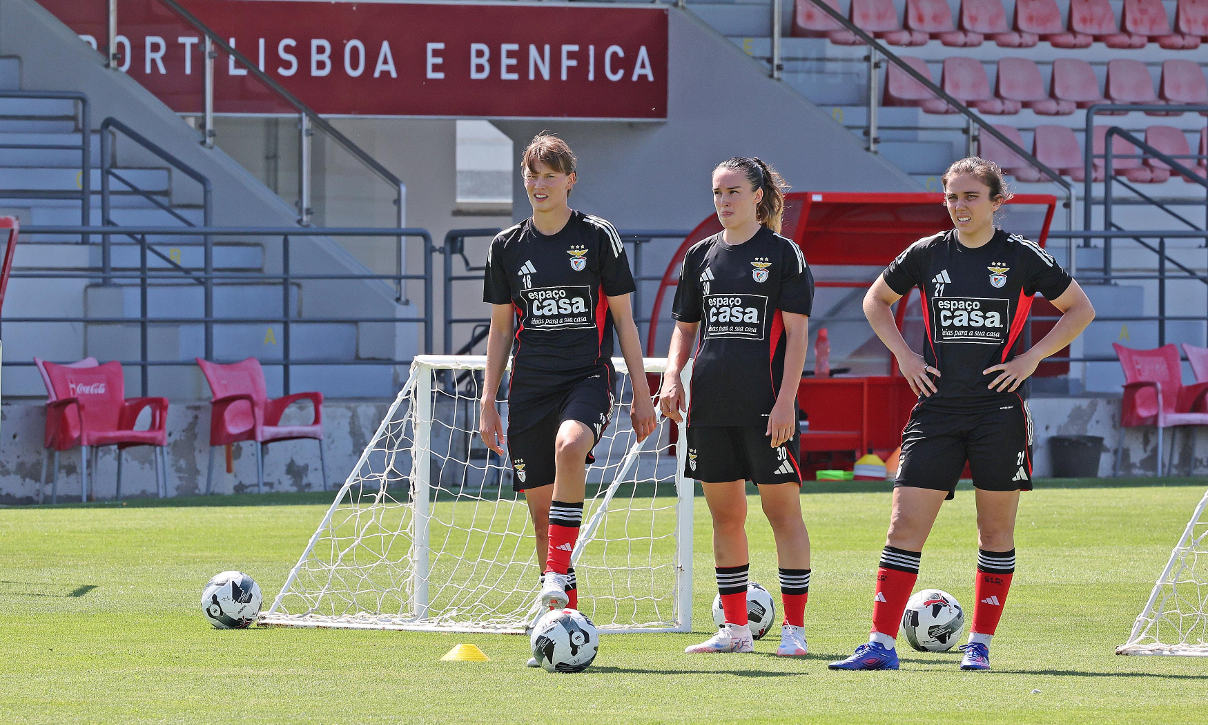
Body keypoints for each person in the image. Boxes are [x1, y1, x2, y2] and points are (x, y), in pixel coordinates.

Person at [828, 157, 1095, 672]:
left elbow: (1080, 309)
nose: (959, 206)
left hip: (998, 412)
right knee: (904, 527)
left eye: (971, 196)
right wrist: (905, 355)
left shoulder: (1020, 257)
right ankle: (880, 645)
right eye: (952, 196)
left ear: (997, 201)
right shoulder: (927, 253)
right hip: (937, 411)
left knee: (994, 533)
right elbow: (876, 300)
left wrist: (1031, 356)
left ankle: (980, 644)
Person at [479, 133, 657, 653]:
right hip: (528, 387)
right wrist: (488, 400)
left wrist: (641, 392)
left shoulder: (599, 236)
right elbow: (499, 329)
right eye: (531, 175)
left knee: (570, 447)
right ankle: (562, 624)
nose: (539, 184)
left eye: (549, 175)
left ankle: (555, 578)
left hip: (587, 377)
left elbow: (623, 318)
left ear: (570, 180)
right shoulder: (507, 247)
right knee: (541, 518)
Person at [660, 156, 815, 657]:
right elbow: (685, 329)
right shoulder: (700, 256)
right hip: (709, 408)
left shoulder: (784, 255)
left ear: (757, 196)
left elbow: (796, 335)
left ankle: (794, 631)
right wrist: (671, 377)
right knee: (725, 517)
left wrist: (786, 400)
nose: (723, 202)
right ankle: (736, 631)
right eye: (716, 194)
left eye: (732, 192)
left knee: (782, 513)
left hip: (766, 408)